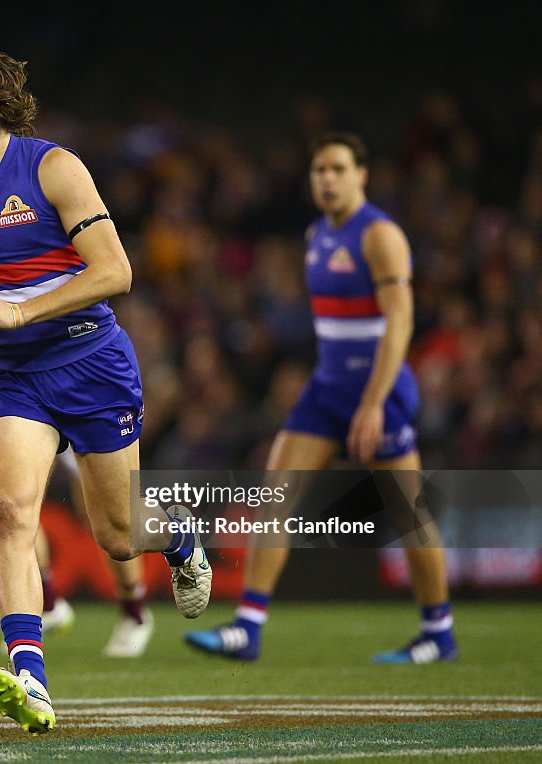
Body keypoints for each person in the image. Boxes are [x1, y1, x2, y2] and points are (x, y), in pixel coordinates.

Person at [0, 49, 211, 734]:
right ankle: (31, 681)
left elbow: (116, 272)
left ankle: (178, 536)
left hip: (91, 361)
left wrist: (17, 309)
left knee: (117, 535)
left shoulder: (53, 168)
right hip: (13, 375)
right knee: (9, 513)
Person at [185, 131, 457, 665]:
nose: (326, 179)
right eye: (318, 171)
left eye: (337, 169)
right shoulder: (316, 235)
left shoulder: (379, 236)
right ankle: (249, 626)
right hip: (326, 389)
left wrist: (375, 401)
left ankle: (438, 633)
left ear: (362, 175)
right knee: (274, 497)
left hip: (376, 390)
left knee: (408, 514)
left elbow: (399, 323)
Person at [36, 449, 154, 658]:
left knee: (111, 525)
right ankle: (47, 603)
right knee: (12, 506)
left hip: (82, 419)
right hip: (33, 415)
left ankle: (134, 611)